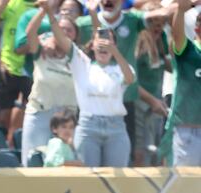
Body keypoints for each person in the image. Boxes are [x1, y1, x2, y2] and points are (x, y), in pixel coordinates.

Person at [76, 0, 172, 151]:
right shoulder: (82, 23)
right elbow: (64, 32)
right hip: (91, 105)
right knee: (88, 168)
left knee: (126, 163)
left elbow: (164, 12)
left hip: (124, 104)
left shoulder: (132, 20)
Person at [50, 16, 134, 167]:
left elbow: (129, 78)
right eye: (99, 41)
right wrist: (50, 13)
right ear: (92, 45)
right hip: (89, 126)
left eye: (108, 41)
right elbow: (62, 39)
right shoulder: (82, 63)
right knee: (89, 178)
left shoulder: (120, 67)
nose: (103, 44)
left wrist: (115, 52)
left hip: (116, 127)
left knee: (116, 179)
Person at [20, 0, 79, 166]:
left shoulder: (78, 57)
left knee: (64, 165)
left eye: (69, 30)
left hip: (66, 121)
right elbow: (30, 32)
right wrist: (43, 11)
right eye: (61, 29)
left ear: (75, 35)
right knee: (32, 164)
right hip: (39, 113)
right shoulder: (42, 50)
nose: (64, 32)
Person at [0, 0, 36, 147]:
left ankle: (16, 151)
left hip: (33, 71)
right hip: (8, 67)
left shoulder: (44, 6)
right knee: (2, 118)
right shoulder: (12, 3)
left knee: (26, 116)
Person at [133, 2, 170, 166]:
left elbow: (171, 67)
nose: (158, 27)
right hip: (139, 103)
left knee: (155, 150)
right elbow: (131, 81)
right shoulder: (137, 42)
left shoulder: (161, 39)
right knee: (140, 151)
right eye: (154, 22)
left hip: (156, 103)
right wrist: (153, 101)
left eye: (161, 23)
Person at [169, 0, 201, 166]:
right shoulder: (188, 51)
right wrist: (181, 11)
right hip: (189, 132)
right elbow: (177, 35)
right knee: (186, 187)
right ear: (197, 27)